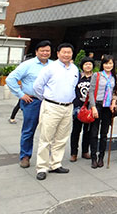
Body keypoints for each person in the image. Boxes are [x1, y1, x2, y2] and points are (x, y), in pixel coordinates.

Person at [33, 43, 79, 181]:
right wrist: (47, 99)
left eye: (69, 52)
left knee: (61, 138)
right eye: (64, 52)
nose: (66, 55)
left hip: (68, 107)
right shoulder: (50, 68)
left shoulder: (74, 69)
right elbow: (37, 86)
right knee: (46, 138)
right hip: (52, 107)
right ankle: (42, 167)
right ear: (58, 53)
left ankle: (55, 164)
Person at [6, 40, 52, 168]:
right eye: (42, 50)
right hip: (32, 102)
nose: (45, 53)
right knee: (28, 130)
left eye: (47, 50)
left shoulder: (53, 65)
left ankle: (47, 157)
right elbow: (10, 79)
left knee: (49, 131)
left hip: (49, 102)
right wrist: (21, 95)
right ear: (37, 52)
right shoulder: (28, 65)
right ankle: (25, 156)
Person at [89, 55, 117, 169]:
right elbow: (91, 91)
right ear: (102, 64)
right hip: (97, 105)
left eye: (110, 63)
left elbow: (115, 92)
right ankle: (93, 157)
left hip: (108, 107)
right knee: (94, 132)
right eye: (106, 63)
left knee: (104, 133)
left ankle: (101, 157)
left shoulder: (114, 77)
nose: (108, 65)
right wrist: (93, 107)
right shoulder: (97, 75)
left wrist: (114, 102)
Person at [69, 57, 94, 162]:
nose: (88, 66)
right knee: (76, 130)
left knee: (88, 131)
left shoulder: (95, 77)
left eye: (90, 64)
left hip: (90, 107)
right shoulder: (78, 77)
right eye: (86, 64)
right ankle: (73, 153)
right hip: (78, 107)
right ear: (82, 66)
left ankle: (85, 151)